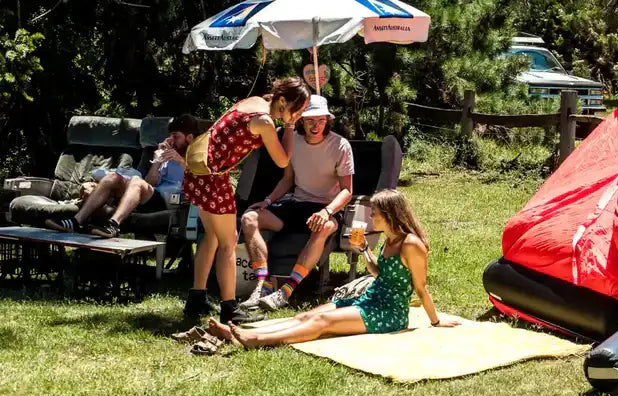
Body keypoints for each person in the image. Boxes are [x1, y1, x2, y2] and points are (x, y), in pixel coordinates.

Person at [206, 189, 459, 348]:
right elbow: (378, 275)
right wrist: (364, 250)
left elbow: (421, 288)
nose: (371, 218)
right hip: (369, 299)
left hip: (388, 313)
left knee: (323, 321)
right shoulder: (389, 240)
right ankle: (240, 332)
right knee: (306, 316)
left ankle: (255, 340)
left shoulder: (411, 245)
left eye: (375, 213)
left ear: (390, 215)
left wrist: (436, 322)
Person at [182, 78, 310, 324]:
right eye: (298, 110)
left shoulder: (256, 102)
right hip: (214, 178)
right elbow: (283, 161)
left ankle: (196, 299)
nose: (299, 115)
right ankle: (229, 308)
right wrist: (291, 128)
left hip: (200, 172)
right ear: (283, 101)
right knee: (228, 244)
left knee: (210, 236)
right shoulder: (264, 122)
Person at [238, 94, 354, 312]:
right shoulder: (294, 142)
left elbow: (347, 190)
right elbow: (288, 180)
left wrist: (327, 211)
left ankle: (286, 290)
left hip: (325, 208)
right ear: (301, 120)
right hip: (296, 204)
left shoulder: (340, 145)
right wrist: (268, 201)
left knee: (325, 227)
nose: (315, 125)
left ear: (328, 120)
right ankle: (261, 285)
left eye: (321, 120)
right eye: (310, 120)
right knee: (250, 217)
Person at [44, 114, 201, 238]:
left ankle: (113, 224)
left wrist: (180, 160)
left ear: (189, 137)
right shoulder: (168, 155)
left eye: (176, 136)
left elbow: (202, 178)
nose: (172, 140)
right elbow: (150, 183)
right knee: (113, 177)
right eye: (171, 136)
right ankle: (75, 221)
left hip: (175, 201)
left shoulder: (200, 155)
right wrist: (158, 161)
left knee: (136, 181)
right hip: (155, 196)